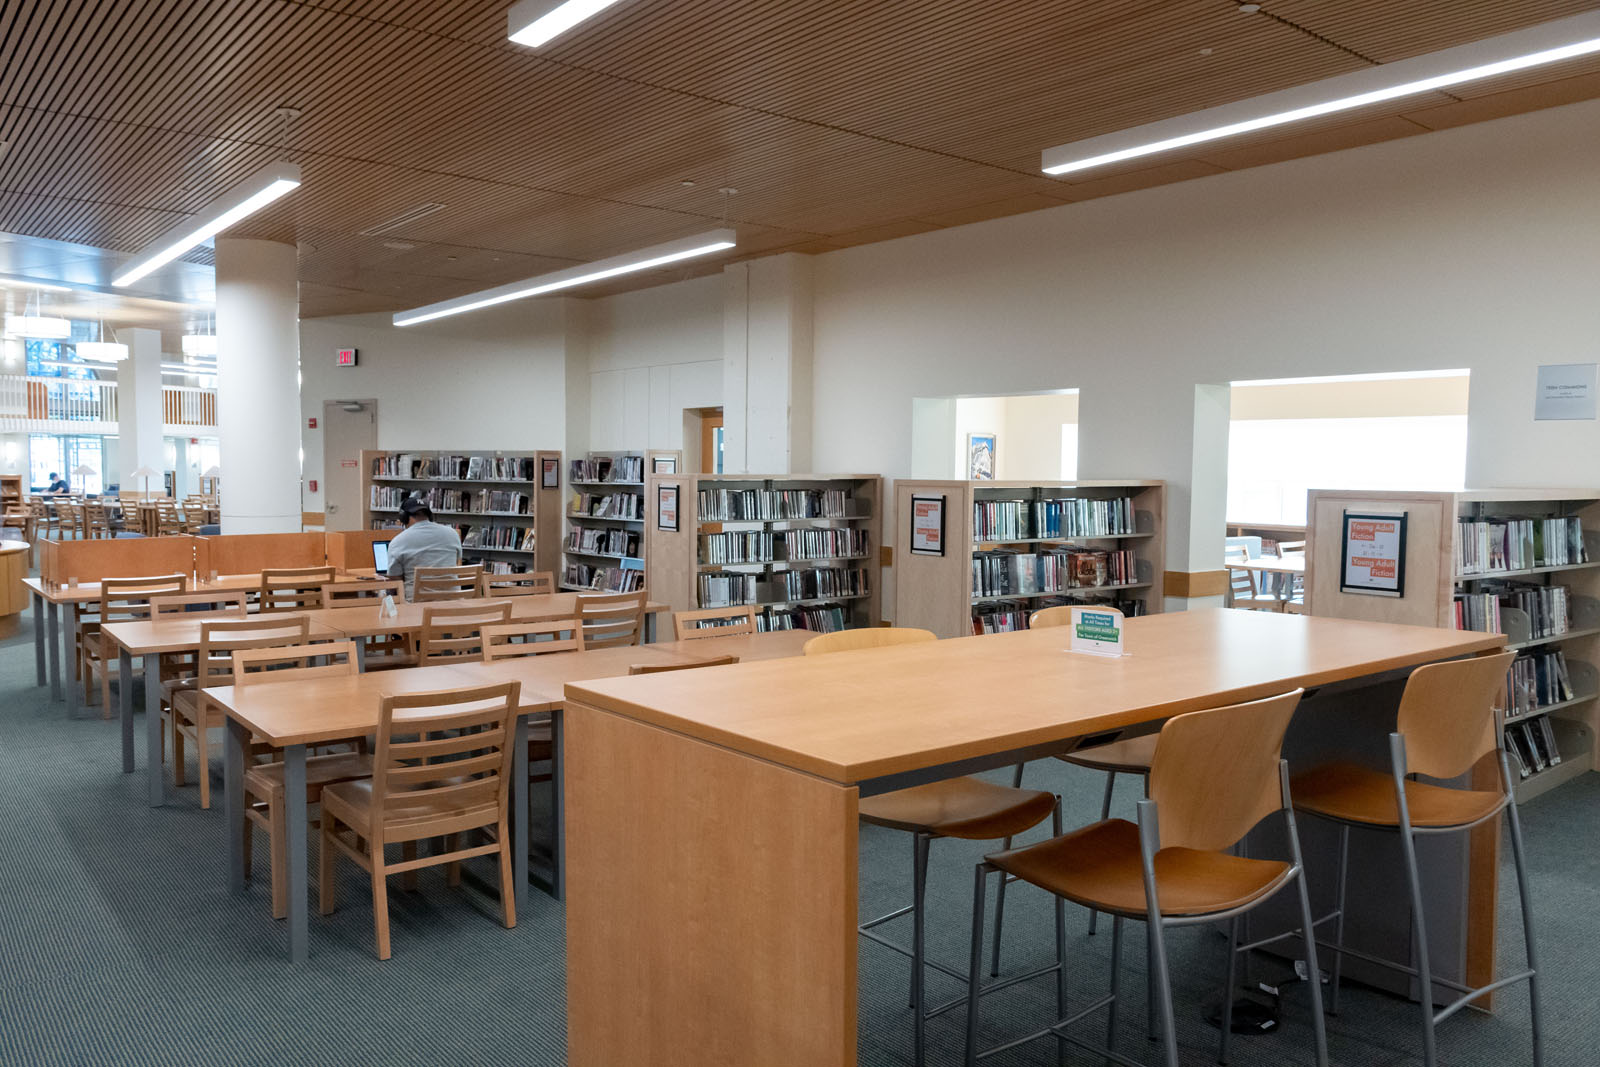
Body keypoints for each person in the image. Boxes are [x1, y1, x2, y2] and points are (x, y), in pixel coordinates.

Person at [384, 496, 462, 600]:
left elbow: (395, 579)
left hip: (417, 608)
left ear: (404, 517)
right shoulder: (453, 534)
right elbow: (457, 562)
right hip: (453, 605)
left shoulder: (398, 541)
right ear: (429, 515)